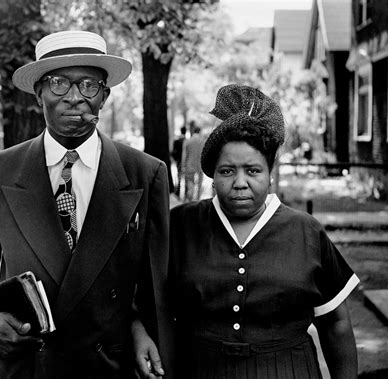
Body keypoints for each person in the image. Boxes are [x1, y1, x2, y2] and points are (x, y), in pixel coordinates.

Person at [0, 30, 173, 379]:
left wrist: (140, 327)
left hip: (107, 366)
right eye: (58, 84)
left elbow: (154, 283)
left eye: (88, 85)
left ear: (105, 96)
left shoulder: (146, 173)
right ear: (38, 93)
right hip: (26, 364)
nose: (74, 97)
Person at [134, 84, 359, 379]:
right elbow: (141, 299)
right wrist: (138, 333)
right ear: (213, 175)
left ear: (270, 173)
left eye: (253, 171)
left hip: (288, 370)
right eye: (227, 171)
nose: (240, 182)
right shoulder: (181, 225)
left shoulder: (305, 232)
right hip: (201, 369)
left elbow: (336, 323)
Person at [182, 121, 204, 202]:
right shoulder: (203, 142)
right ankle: (198, 199)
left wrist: (183, 166)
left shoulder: (188, 141)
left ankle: (190, 200)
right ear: (199, 131)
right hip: (200, 166)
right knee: (199, 185)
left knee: (190, 184)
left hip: (189, 165)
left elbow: (184, 156)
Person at [171, 126, 187, 197]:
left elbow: (173, 152)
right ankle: (186, 194)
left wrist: (175, 160)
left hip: (179, 161)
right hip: (186, 162)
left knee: (179, 177)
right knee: (186, 178)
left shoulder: (177, 141)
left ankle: (178, 193)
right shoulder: (187, 141)